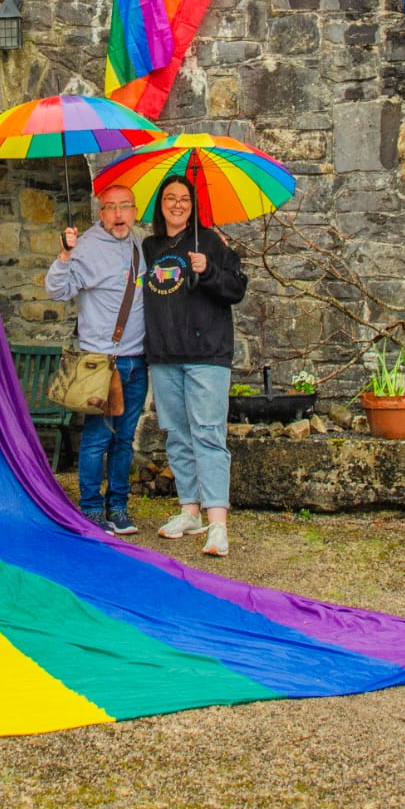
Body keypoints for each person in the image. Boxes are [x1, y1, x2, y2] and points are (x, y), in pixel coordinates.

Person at [142, 175, 247, 560]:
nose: (177, 205)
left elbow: (237, 288)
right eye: (170, 198)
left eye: (184, 199)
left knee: (208, 434)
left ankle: (217, 522)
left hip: (207, 357)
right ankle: (189, 511)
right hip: (165, 355)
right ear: (161, 204)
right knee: (177, 434)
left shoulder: (211, 242)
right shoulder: (150, 247)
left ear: (193, 204)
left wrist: (209, 272)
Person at [43, 189, 147, 534]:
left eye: (125, 207)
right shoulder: (85, 246)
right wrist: (64, 254)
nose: (118, 214)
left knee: (125, 437)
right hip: (101, 362)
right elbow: (57, 291)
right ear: (100, 213)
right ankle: (89, 508)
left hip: (136, 360)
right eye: (110, 208)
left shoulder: (139, 245)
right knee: (97, 438)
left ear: (135, 211)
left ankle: (118, 506)